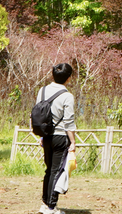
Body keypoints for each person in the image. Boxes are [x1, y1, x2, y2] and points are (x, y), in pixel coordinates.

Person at [38, 63, 77, 214]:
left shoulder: (42, 91)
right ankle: (51, 207)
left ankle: (44, 203)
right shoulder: (67, 96)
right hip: (60, 137)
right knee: (57, 171)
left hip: (46, 136)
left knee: (49, 170)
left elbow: (37, 115)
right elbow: (69, 122)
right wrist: (72, 141)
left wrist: (41, 136)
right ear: (68, 79)